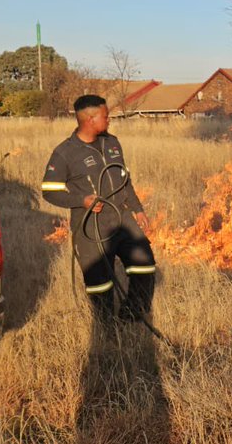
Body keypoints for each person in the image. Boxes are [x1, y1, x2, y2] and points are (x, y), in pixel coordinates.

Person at [40, 95, 155, 322]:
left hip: (122, 217)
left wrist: (137, 209)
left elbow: (125, 179)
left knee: (145, 264)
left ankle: (132, 315)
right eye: (105, 116)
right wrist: (82, 200)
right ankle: (106, 325)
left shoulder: (112, 143)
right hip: (90, 225)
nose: (109, 120)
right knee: (100, 282)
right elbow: (49, 190)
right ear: (90, 119)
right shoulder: (65, 153)